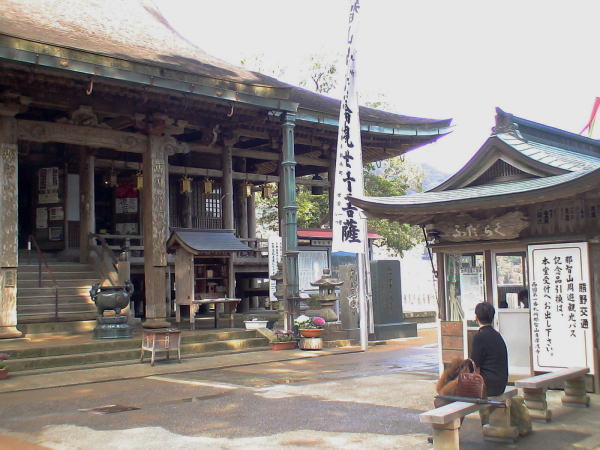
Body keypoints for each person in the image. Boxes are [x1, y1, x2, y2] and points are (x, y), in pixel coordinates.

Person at [471, 302, 508, 397]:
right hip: (501, 385)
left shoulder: (479, 337)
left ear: (476, 318)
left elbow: (474, 364)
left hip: (488, 387)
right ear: (492, 318)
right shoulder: (497, 335)